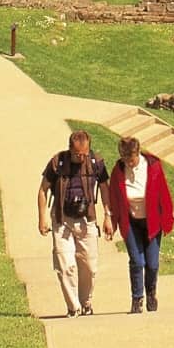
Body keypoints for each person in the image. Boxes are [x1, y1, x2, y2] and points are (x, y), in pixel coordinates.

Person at [39, 129, 109, 316]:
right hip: (62, 221)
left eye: (85, 153)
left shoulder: (96, 162)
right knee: (65, 265)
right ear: (70, 149)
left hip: (87, 220)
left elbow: (104, 188)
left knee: (90, 267)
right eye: (77, 154)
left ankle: (86, 302)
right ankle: (73, 307)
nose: (81, 157)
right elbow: (42, 190)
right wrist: (42, 218)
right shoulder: (57, 162)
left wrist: (108, 216)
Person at [109, 133, 174, 312]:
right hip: (130, 222)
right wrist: (111, 221)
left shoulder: (153, 167)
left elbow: (164, 194)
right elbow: (114, 198)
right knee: (137, 261)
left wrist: (168, 219)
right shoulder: (118, 171)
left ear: (137, 153)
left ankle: (151, 292)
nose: (129, 163)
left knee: (152, 264)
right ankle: (137, 299)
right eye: (125, 159)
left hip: (152, 222)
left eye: (131, 159)